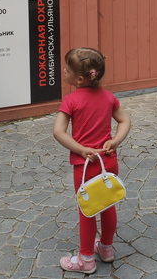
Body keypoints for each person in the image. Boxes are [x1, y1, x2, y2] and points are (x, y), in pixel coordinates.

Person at [53, 47, 131, 274]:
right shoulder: (108, 97)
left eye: (67, 69)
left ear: (79, 79)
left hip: (85, 165)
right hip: (109, 161)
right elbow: (125, 121)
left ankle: (86, 259)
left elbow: (58, 131)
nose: (63, 71)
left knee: (87, 209)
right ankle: (106, 249)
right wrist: (115, 141)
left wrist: (81, 149)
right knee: (108, 204)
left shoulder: (71, 101)